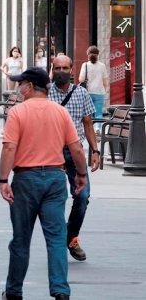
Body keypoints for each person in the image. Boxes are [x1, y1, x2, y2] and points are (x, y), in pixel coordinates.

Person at [0, 67, 87, 300]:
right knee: (57, 238)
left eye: (21, 84)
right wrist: (81, 175)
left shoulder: (18, 112)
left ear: (29, 86)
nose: (18, 88)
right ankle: (60, 290)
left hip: (26, 179)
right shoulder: (60, 112)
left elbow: (9, 147)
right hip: (56, 179)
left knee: (21, 238)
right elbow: (76, 147)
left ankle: (14, 291)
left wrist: (3, 179)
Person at [49, 55, 101, 262]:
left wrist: (95, 151)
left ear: (72, 70)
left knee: (83, 196)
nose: (61, 71)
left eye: (65, 67)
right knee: (54, 199)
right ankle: (57, 239)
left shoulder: (81, 93)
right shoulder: (43, 94)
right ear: (53, 69)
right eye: (58, 67)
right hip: (50, 153)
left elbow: (88, 123)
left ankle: (71, 237)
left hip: (75, 151)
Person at [78, 46, 109, 132]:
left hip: (88, 92)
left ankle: (89, 129)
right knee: (98, 112)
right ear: (98, 54)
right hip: (100, 92)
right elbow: (105, 81)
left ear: (88, 54)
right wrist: (105, 90)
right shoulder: (102, 66)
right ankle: (98, 128)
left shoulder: (85, 65)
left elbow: (81, 79)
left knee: (88, 113)